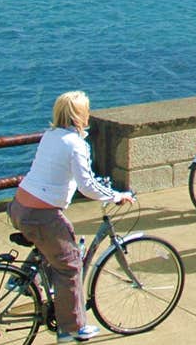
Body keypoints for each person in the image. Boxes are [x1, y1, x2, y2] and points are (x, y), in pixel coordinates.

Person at [8, 91, 134, 343]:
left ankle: (22, 279)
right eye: (86, 110)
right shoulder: (76, 144)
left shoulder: (50, 135)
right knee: (70, 265)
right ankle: (71, 328)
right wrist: (116, 196)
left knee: (51, 245)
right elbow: (87, 186)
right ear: (79, 115)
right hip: (42, 215)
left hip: (18, 206)